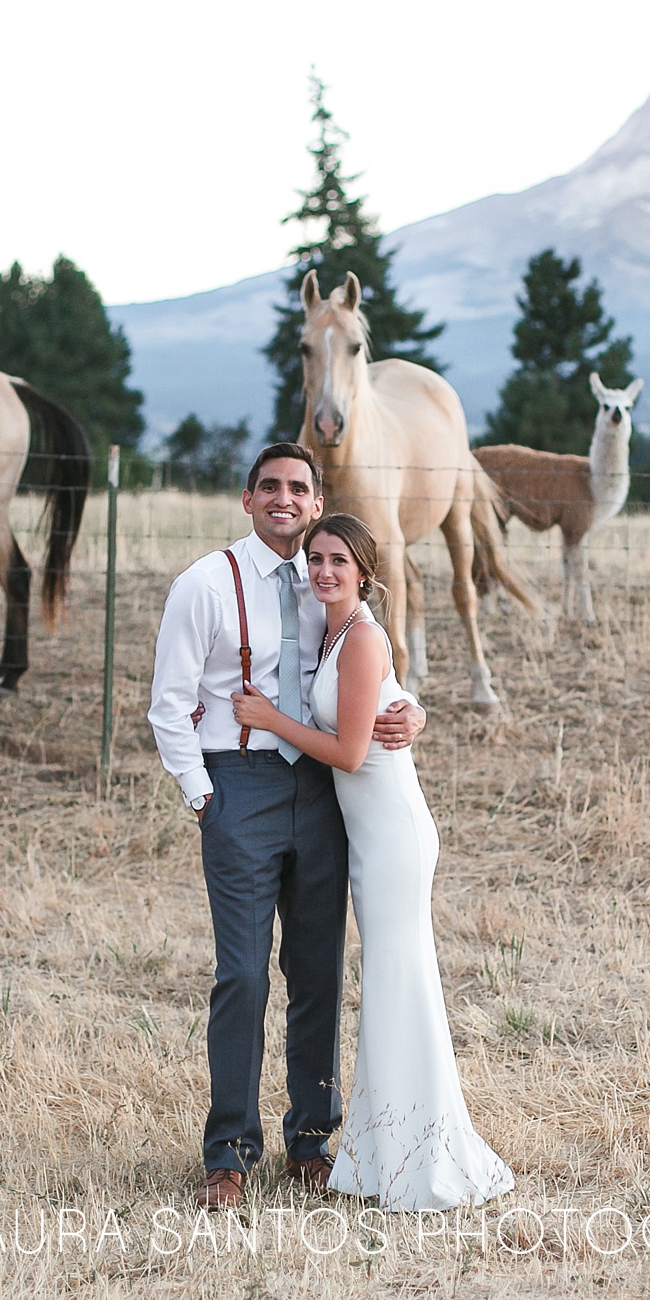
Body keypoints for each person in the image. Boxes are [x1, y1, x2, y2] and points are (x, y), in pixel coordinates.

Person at [148, 444, 426, 1210]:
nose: (283, 498)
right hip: (237, 787)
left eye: (297, 488)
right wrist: (203, 796)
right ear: (247, 499)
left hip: (324, 788)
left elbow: (372, 662)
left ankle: (312, 1140)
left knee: (318, 972)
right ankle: (229, 1154)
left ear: (314, 501)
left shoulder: (325, 579)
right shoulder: (205, 584)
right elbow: (168, 704)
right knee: (241, 973)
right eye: (268, 486)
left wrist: (413, 711)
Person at [233, 513, 514, 1212]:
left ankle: (417, 1159)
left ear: (365, 572)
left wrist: (269, 720)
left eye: (338, 561)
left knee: (398, 986)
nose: (324, 571)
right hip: (369, 837)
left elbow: (351, 753)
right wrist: (409, 704)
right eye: (316, 559)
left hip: (392, 837)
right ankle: (381, 1152)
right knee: (392, 988)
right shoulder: (328, 629)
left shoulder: (359, 638)